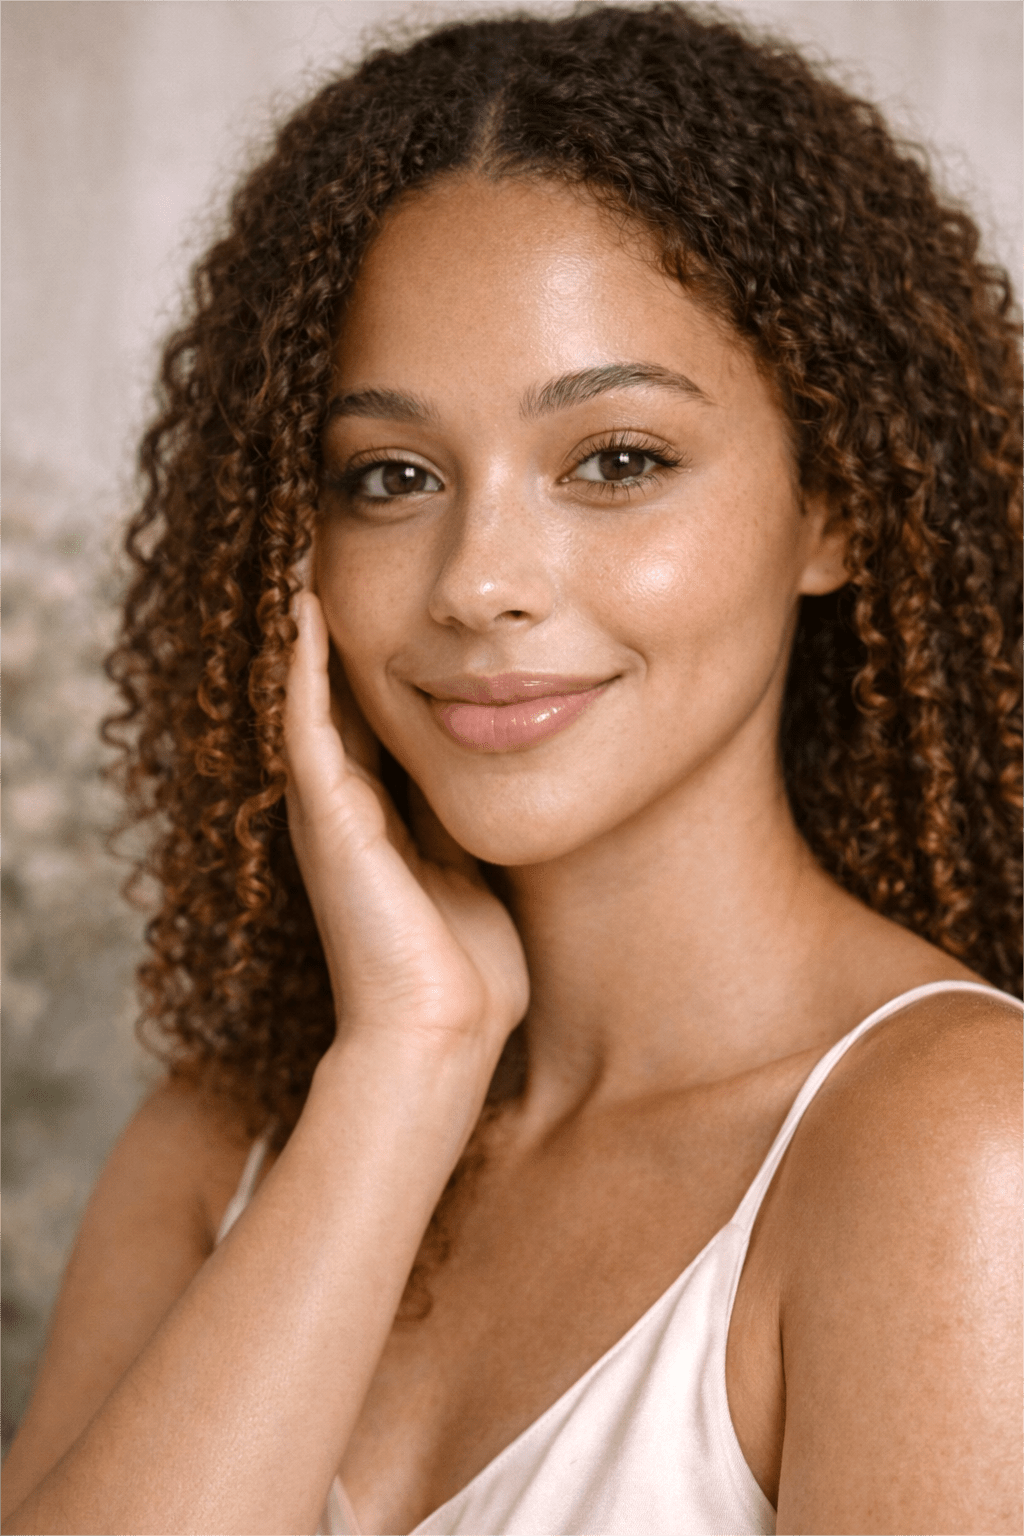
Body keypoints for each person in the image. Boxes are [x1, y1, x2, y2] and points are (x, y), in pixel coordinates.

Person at [2, 5, 1021, 1533]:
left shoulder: (957, 1152)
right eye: (390, 477)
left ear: (835, 507)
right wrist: (410, 1056)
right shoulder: (220, 1146)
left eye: (617, 461)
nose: (480, 582)